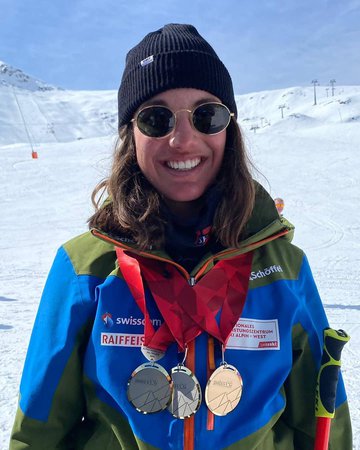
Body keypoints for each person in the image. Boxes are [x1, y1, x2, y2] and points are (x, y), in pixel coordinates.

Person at [10, 23, 352, 450]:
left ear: (230, 130)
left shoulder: (286, 268)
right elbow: (39, 430)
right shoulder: (84, 268)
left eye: (207, 115)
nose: (183, 139)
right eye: (156, 118)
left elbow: (322, 421)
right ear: (129, 135)